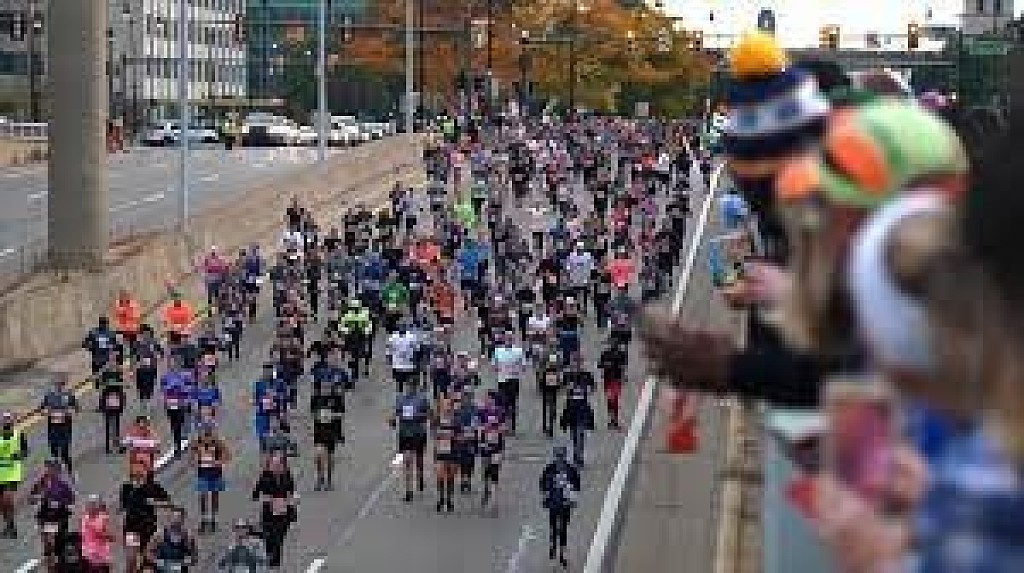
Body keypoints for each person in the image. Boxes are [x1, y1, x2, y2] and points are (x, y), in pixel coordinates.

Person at [120, 470, 171, 572]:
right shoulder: (126, 488)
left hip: (148, 528)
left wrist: (154, 502)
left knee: (147, 559)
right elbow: (124, 507)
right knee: (131, 558)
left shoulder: (153, 487)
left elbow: (167, 502)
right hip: (132, 528)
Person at [252, 452, 296, 569]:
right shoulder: (265, 476)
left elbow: (291, 492)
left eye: (279, 465)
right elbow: (255, 494)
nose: (276, 467)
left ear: (284, 466)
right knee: (269, 535)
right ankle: (269, 555)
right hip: (269, 512)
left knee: (279, 537)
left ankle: (275, 561)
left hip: (283, 512)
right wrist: (265, 498)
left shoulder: (287, 476)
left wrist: (290, 502)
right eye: (273, 465)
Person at [539, 445, 581, 568]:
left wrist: (572, 498)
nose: (559, 459)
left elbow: (577, 486)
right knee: (553, 528)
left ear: (564, 457)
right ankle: (553, 549)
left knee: (563, 529)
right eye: (558, 457)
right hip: (553, 504)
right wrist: (546, 495)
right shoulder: (549, 469)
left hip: (565, 504)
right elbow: (542, 484)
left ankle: (562, 553)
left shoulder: (571, 470)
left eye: (561, 457)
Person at [30, 459, 76, 568]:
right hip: (45, 515)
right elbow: (31, 498)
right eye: (47, 468)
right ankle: (50, 563)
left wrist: (59, 503)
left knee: (58, 543)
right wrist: (37, 499)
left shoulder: (63, 485)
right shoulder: (40, 483)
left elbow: (71, 499)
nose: (48, 470)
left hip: (59, 516)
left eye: (51, 468)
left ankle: (59, 560)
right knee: (48, 543)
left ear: (57, 470)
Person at [390, 383, 431, 502]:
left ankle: (420, 477)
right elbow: (395, 413)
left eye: (412, 387)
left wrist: (418, 416)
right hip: (404, 434)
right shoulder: (400, 399)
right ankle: (409, 491)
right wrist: (392, 420)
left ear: (415, 388)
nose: (409, 389)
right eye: (408, 387)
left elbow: (429, 414)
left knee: (419, 460)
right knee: (407, 461)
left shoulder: (422, 399)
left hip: (418, 433)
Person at [559, 353, 596, 467]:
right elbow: (562, 389)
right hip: (571, 407)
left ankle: (579, 456)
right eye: (574, 362)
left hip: (582, 407)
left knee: (580, 432)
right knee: (574, 433)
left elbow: (593, 387)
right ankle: (576, 454)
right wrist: (567, 388)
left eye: (579, 362)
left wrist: (588, 389)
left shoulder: (587, 375)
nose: (576, 365)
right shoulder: (568, 375)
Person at [192, 423, 230, 533]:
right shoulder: (198, 443)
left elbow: (227, 455)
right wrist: (195, 461)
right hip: (203, 473)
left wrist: (218, 462)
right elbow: (192, 456)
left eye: (208, 434)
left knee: (214, 496)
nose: (206, 437)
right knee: (203, 496)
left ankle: (214, 519)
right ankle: (204, 520)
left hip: (215, 473)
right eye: (205, 434)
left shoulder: (218, 442)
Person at [310, 378, 345, 491]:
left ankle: (329, 481)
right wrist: (319, 416)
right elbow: (313, 413)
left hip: (332, 430)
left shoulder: (337, 398)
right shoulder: (315, 398)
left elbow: (341, 414)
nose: (326, 389)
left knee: (330, 457)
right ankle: (320, 478)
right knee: (319, 455)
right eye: (324, 387)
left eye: (328, 386)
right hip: (319, 430)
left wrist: (331, 416)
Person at [41, 373, 79, 474]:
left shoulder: (69, 395)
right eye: (57, 383)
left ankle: (69, 471)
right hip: (53, 428)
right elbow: (42, 408)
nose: (59, 385)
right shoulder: (49, 395)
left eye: (61, 383)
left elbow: (75, 408)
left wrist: (69, 412)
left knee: (64, 451)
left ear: (64, 384)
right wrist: (46, 412)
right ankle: (57, 473)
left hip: (65, 428)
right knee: (54, 452)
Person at [147, 506, 197, 572]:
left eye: (179, 519)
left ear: (183, 520)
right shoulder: (159, 536)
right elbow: (149, 555)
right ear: (169, 518)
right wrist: (162, 564)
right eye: (174, 518)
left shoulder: (188, 538)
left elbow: (194, 558)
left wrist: (182, 564)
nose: (176, 521)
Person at [0, 412, 26, 538]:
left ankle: (12, 526)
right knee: (2, 504)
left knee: (7, 499)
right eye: (4, 420)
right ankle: (9, 525)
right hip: (1, 473)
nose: (6, 422)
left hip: (12, 473)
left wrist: (19, 455)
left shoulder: (18, 435)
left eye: (8, 420)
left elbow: (25, 451)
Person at [432, 398, 460, 513]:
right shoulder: (437, 419)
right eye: (444, 405)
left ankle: (449, 499)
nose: (446, 407)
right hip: (441, 450)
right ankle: (440, 499)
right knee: (440, 475)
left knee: (450, 476)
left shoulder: (456, 419)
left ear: (451, 407)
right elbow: (434, 435)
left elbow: (460, 435)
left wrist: (453, 436)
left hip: (453, 450)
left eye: (448, 405)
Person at [80, 494, 114, 572]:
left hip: (97, 552)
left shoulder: (101, 517)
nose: (91, 507)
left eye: (93, 505)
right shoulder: (87, 518)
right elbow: (101, 533)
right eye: (91, 504)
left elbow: (105, 532)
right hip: (93, 553)